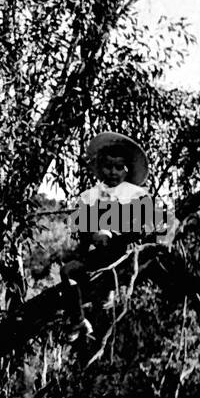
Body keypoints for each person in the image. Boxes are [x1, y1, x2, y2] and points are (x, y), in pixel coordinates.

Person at [62, 131, 167, 338]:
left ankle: (107, 293)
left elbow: (155, 226)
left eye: (119, 167)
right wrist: (93, 234)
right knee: (67, 271)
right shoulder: (91, 195)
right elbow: (83, 231)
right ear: (100, 168)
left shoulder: (137, 195)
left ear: (127, 170)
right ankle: (78, 320)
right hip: (100, 255)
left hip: (125, 253)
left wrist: (121, 232)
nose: (113, 172)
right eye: (108, 166)